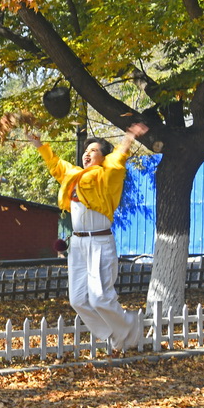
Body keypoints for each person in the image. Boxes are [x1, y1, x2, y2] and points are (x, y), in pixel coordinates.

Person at [28, 123, 149, 356]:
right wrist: (38, 143)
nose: (87, 153)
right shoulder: (73, 175)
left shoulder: (108, 175)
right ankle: (117, 335)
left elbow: (117, 160)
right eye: (86, 150)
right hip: (78, 244)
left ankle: (129, 327)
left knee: (100, 297)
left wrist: (129, 137)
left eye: (93, 150)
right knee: (78, 300)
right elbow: (55, 164)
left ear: (102, 157)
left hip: (100, 242)